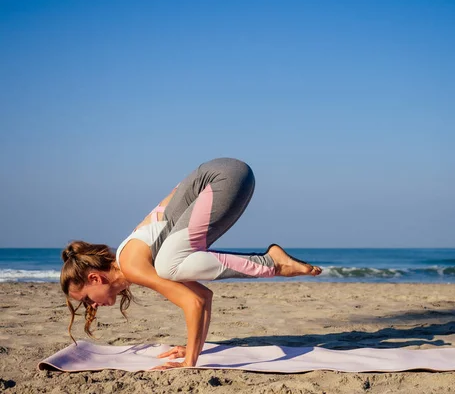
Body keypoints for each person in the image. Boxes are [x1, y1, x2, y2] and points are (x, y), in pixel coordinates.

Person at [60, 157, 322, 370]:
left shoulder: (132, 265)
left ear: (95, 278)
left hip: (221, 179)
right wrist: (193, 347)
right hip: (227, 175)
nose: (91, 306)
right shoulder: (137, 257)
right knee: (170, 263)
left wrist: (189, 363)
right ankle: (271, 262)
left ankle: (271, 262)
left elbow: (192, 303)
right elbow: (203, 297)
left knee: (168, 265)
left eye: (86, 299)